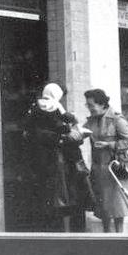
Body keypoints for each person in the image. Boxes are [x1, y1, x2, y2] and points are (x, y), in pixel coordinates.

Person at [20, 82, 90, 232]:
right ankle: (65, 229)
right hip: (59, 158)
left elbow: (28, 129)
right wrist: (69, 132)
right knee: (64, 193)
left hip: (40, 159)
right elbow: (66, 123)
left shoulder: (35, 107)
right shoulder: (56, 107)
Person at [84, 88, 128, 233]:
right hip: (98, 171)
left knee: (117, 208)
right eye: (87, 105)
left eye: (91, 105)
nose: (89, 108)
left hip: (115, 170)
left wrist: (109, 145)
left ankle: (119, 238)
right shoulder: (92, 121)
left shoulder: (117, 120)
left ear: (102, 104)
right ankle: (107, 236)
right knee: (103, 209)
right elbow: (81, 133)